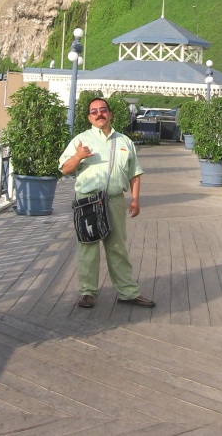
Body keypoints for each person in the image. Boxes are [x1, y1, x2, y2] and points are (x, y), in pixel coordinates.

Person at [59, 97, 155, 309]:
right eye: (94, 111)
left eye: (103, 110)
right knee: (88, 248)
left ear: (110, 114)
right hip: (87, 202)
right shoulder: (80, 140)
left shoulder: (124, 142)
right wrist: (78, 156)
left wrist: (135, 199)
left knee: (118, 247)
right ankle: (87, 292)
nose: (99, 114)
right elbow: (65, 169)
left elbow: (135, 173)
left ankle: (128, 292)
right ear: (89, 117)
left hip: (114, 200)